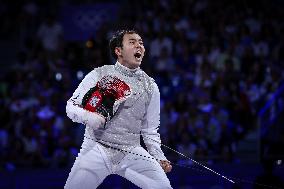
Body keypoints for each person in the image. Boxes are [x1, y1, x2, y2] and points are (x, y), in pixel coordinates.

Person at [64, 29, 172, 189]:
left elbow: (150, 130)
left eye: (141, 43)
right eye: (132, 42)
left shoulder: (150, 86)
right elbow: (71, 107)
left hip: (131, 150)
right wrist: (91, 117)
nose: (139, 46)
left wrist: (158, 156)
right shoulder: (99, 74)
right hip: (96, 147)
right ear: (118, 51)